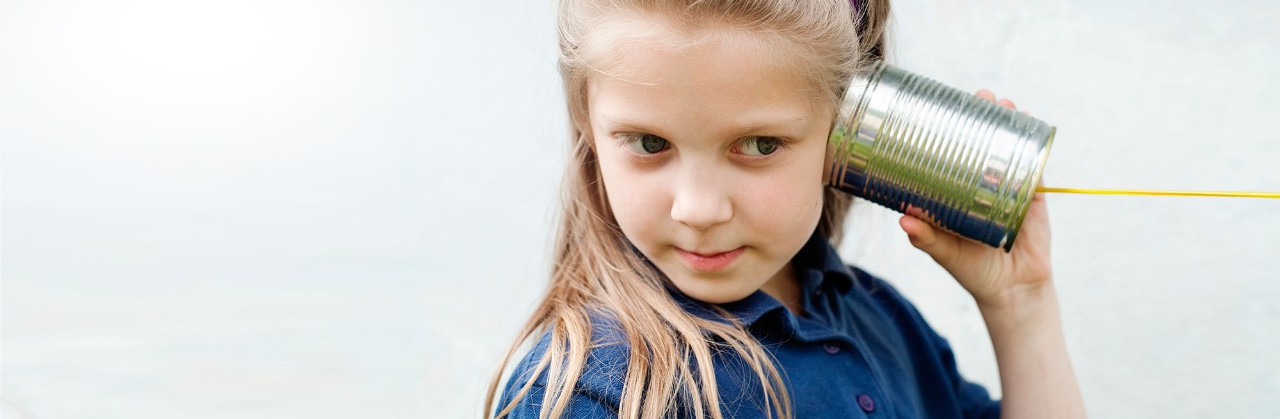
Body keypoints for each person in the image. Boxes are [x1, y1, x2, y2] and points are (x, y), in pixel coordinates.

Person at [486, 0, 1085, 417]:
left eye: (758, 145)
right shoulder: (593, 394)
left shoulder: (885, 322)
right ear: (588, 126)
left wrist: (1021, 304)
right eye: (648, 143)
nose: (699, 209)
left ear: (844, 133)